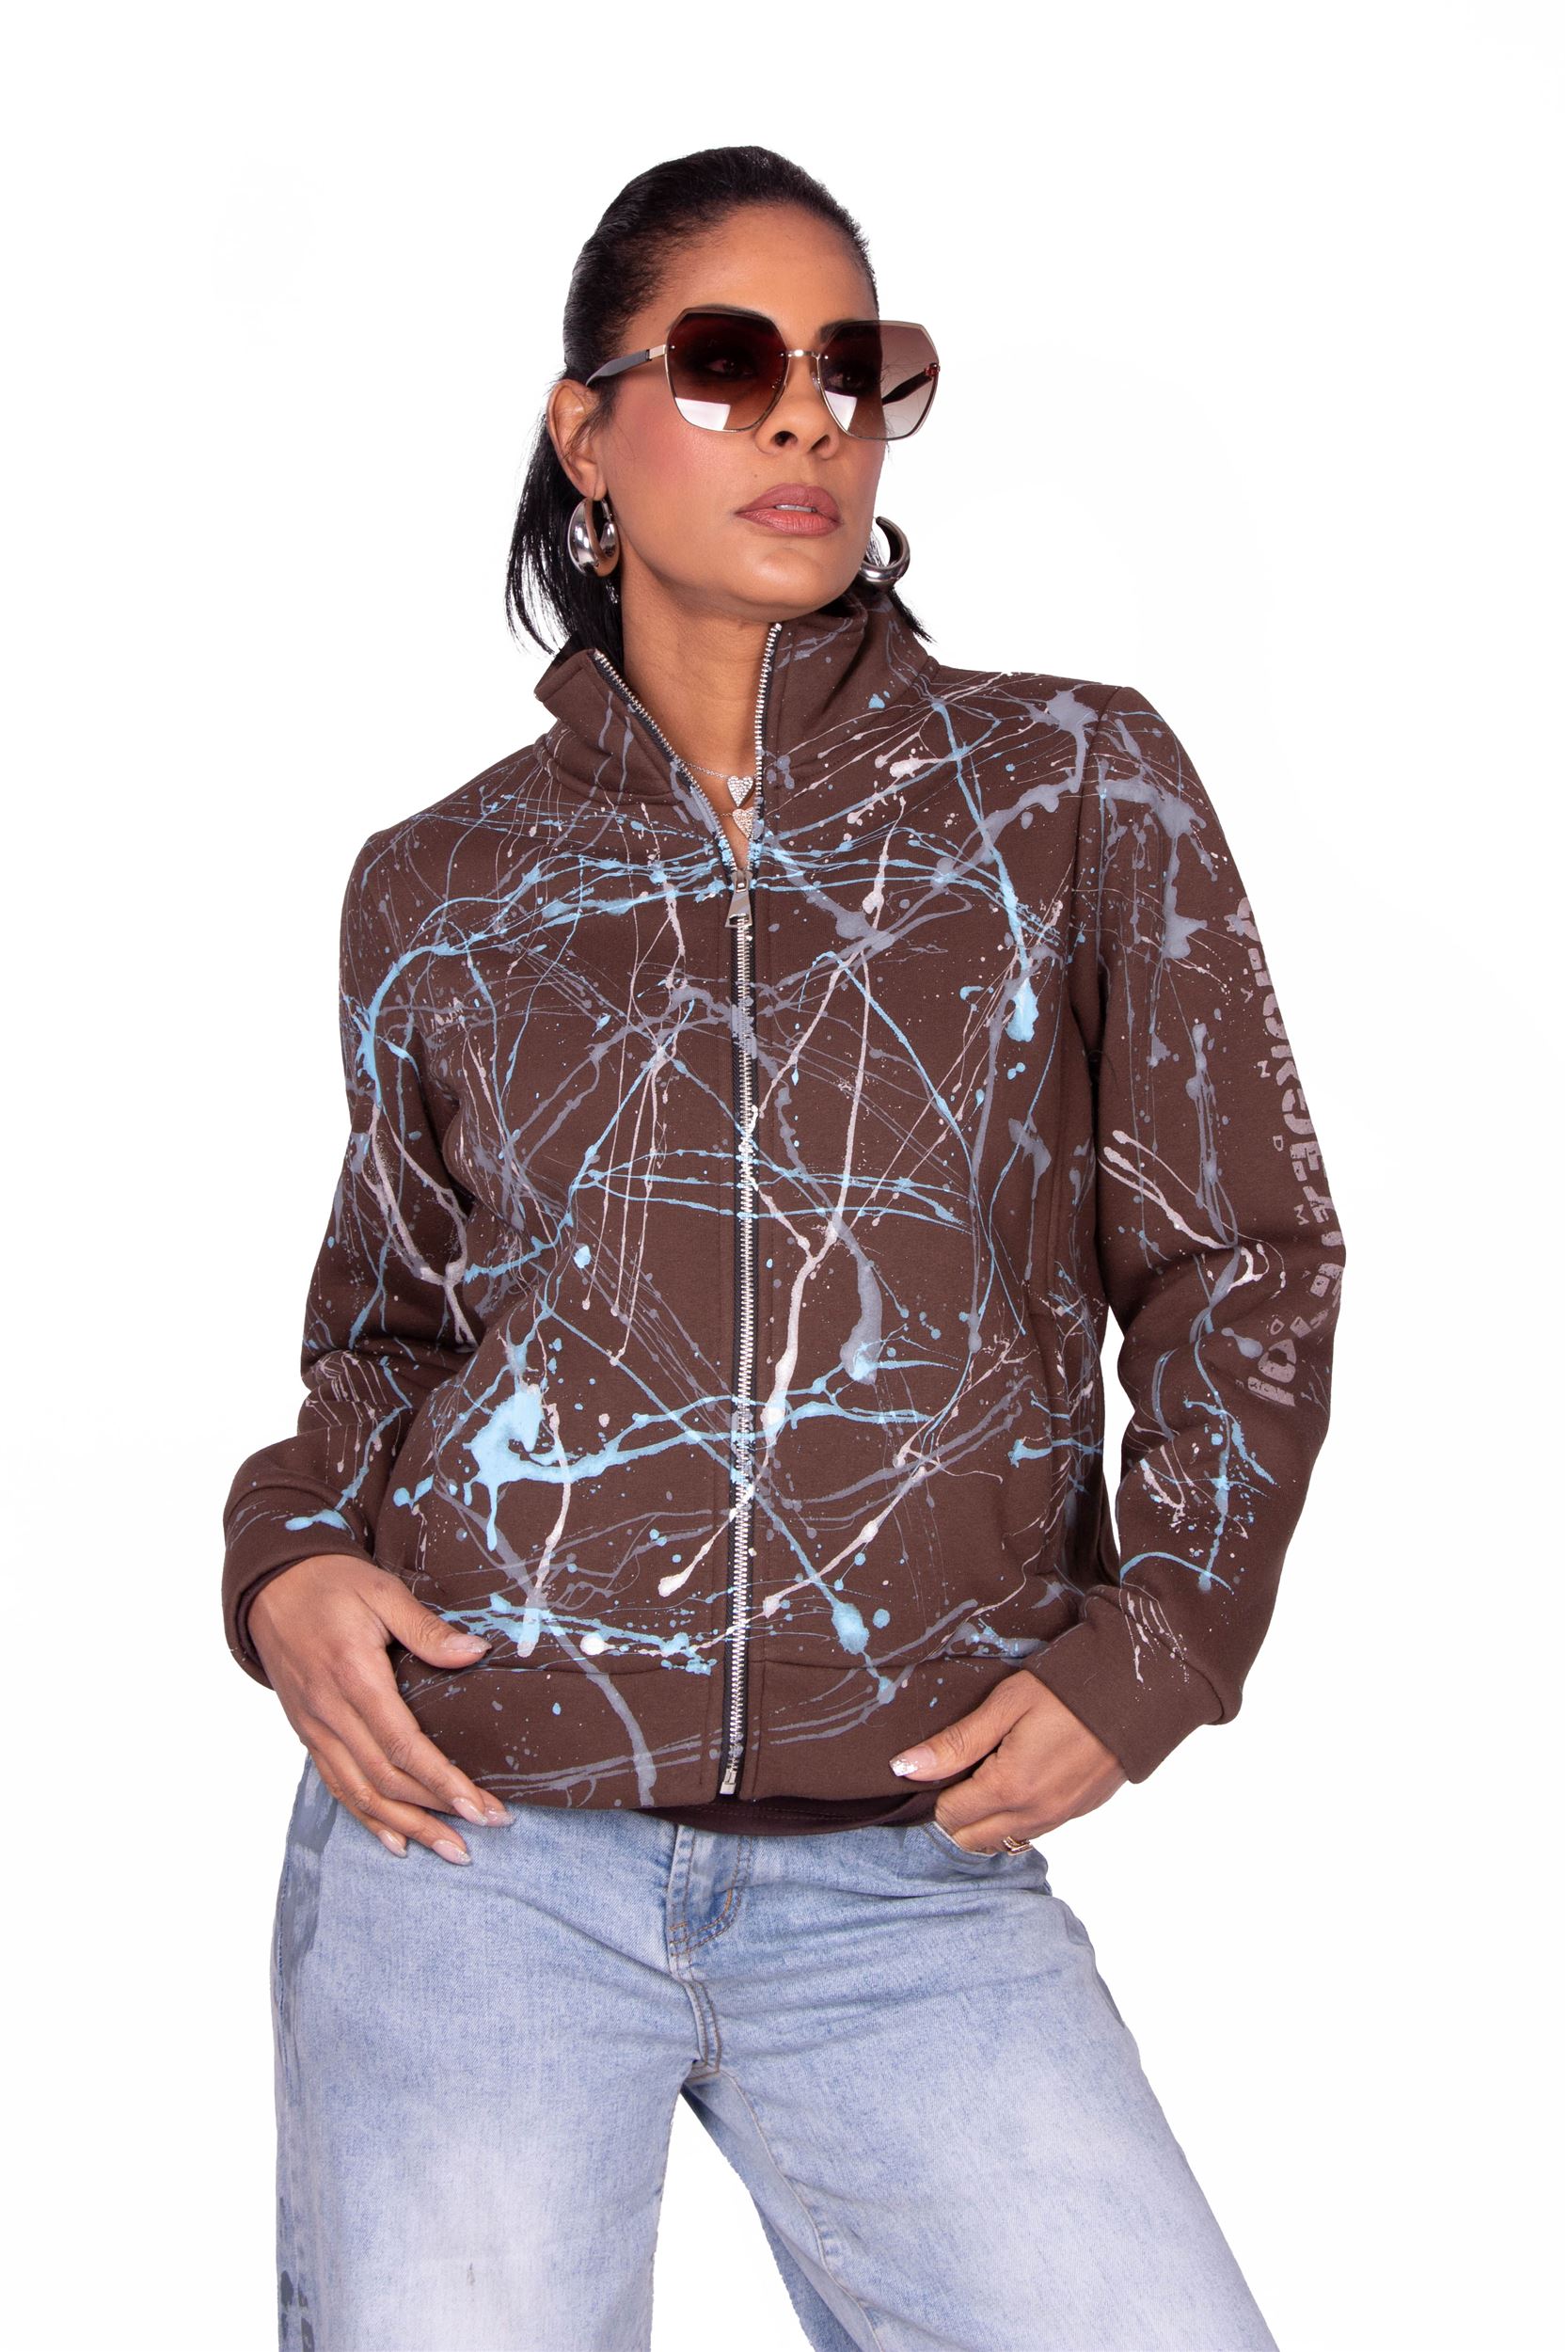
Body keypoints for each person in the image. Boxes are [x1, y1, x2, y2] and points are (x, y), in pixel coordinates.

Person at [224, 144, 1345, 2352]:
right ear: (587, 433)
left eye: (855, 365)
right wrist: (286, 1560)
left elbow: (1246, 1256)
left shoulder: (1072, 788)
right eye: (730, 362)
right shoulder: (438, 880)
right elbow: (388, 1332)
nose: (809, 414)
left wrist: (1162, 1642)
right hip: (477, 1834)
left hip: (905, 1866)